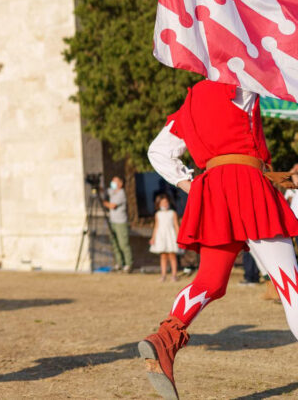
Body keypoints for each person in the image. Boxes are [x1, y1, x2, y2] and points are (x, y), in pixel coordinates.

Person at [139, 79, 298, 399]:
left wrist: (192, 186)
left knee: (210, 281)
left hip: (213, 189)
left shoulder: (192, 100)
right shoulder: (243, 79)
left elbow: (158, 151)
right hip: (249, 185)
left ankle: (166, 337)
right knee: (290, 284)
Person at [149, 194, 182, 282]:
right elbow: (156, 226)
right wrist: (153, 237)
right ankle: (163, 275)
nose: (164, 204)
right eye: (162, 202)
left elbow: (176, 225)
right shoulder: (158, 214)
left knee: (172, 255)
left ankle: (174, 275)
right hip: (161, 236)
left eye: (166, 202)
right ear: (159, 204)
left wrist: (179, 237)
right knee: (163, 256)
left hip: (171, 236)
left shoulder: (172, 213)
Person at [103, 176, 131, 272]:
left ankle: (128, 264)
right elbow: (104, 190)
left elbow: (112, 206)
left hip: (120, 222)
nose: (113, 183)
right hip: (112, 222)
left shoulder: (121, 193)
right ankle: (119, 263)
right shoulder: (113, 191)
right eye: (112, 181)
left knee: (123, 244)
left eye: (115, 181)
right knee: (115, 244)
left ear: (120, 183)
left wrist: (102, 202)